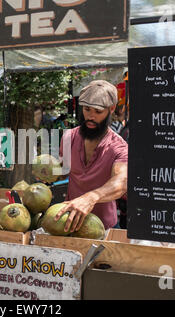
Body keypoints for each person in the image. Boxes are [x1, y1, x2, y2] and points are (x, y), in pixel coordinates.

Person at [56, 80, 128, 232]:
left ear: (111, 109)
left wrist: (92, 197)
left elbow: (121, 183)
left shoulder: (119, 147)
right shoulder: (68, 137)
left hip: (104, 228)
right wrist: (49, 173)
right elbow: (63, 172)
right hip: (68, 222)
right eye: (87, 109)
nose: (91, 117)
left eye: (98, 111)